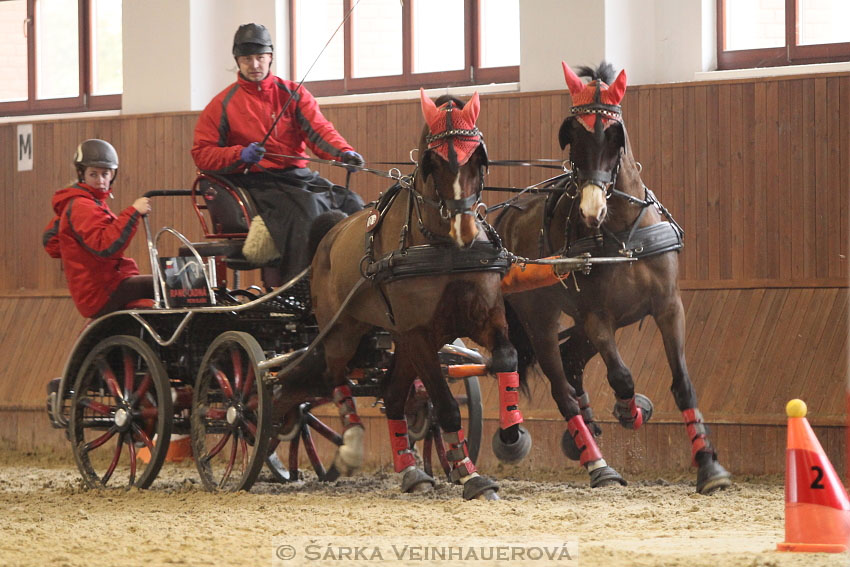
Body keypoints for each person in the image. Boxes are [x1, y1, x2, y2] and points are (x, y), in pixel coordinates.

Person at [192, 22, 366, 286]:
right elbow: (202, 154)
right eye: (247, 59)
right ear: (237, 61)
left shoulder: (293, 94)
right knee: (305, 209)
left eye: (260, 57)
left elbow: (319, 131)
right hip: (257, 182)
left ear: (270, 57)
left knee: (352, 202)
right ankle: (299, 287)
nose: (254, 65)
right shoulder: (222, 105)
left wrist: (343, 153)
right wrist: (240, 155)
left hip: (298, 177)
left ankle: (356, 281)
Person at [42, 139, 154, 319]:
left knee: (159, 287)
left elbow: (51, 239)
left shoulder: (86, 203)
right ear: (82, 175)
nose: (101, 181)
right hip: (102, 291)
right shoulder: (82, 205)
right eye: (94, 174)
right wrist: (133, 212)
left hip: (102, 287)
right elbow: (105, 246)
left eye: (105, 174)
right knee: (164, 287)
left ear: (112, 175)